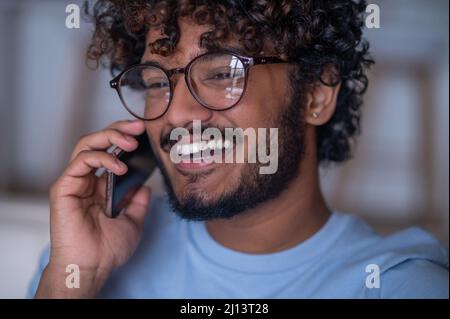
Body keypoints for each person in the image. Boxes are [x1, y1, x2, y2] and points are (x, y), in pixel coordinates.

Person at [29, 0, 448, 298]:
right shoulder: (87, 256)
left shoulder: (396, 285)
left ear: (316, 95)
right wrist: (77, 277)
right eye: (157, 83)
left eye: (219, 72)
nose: (176, 115)